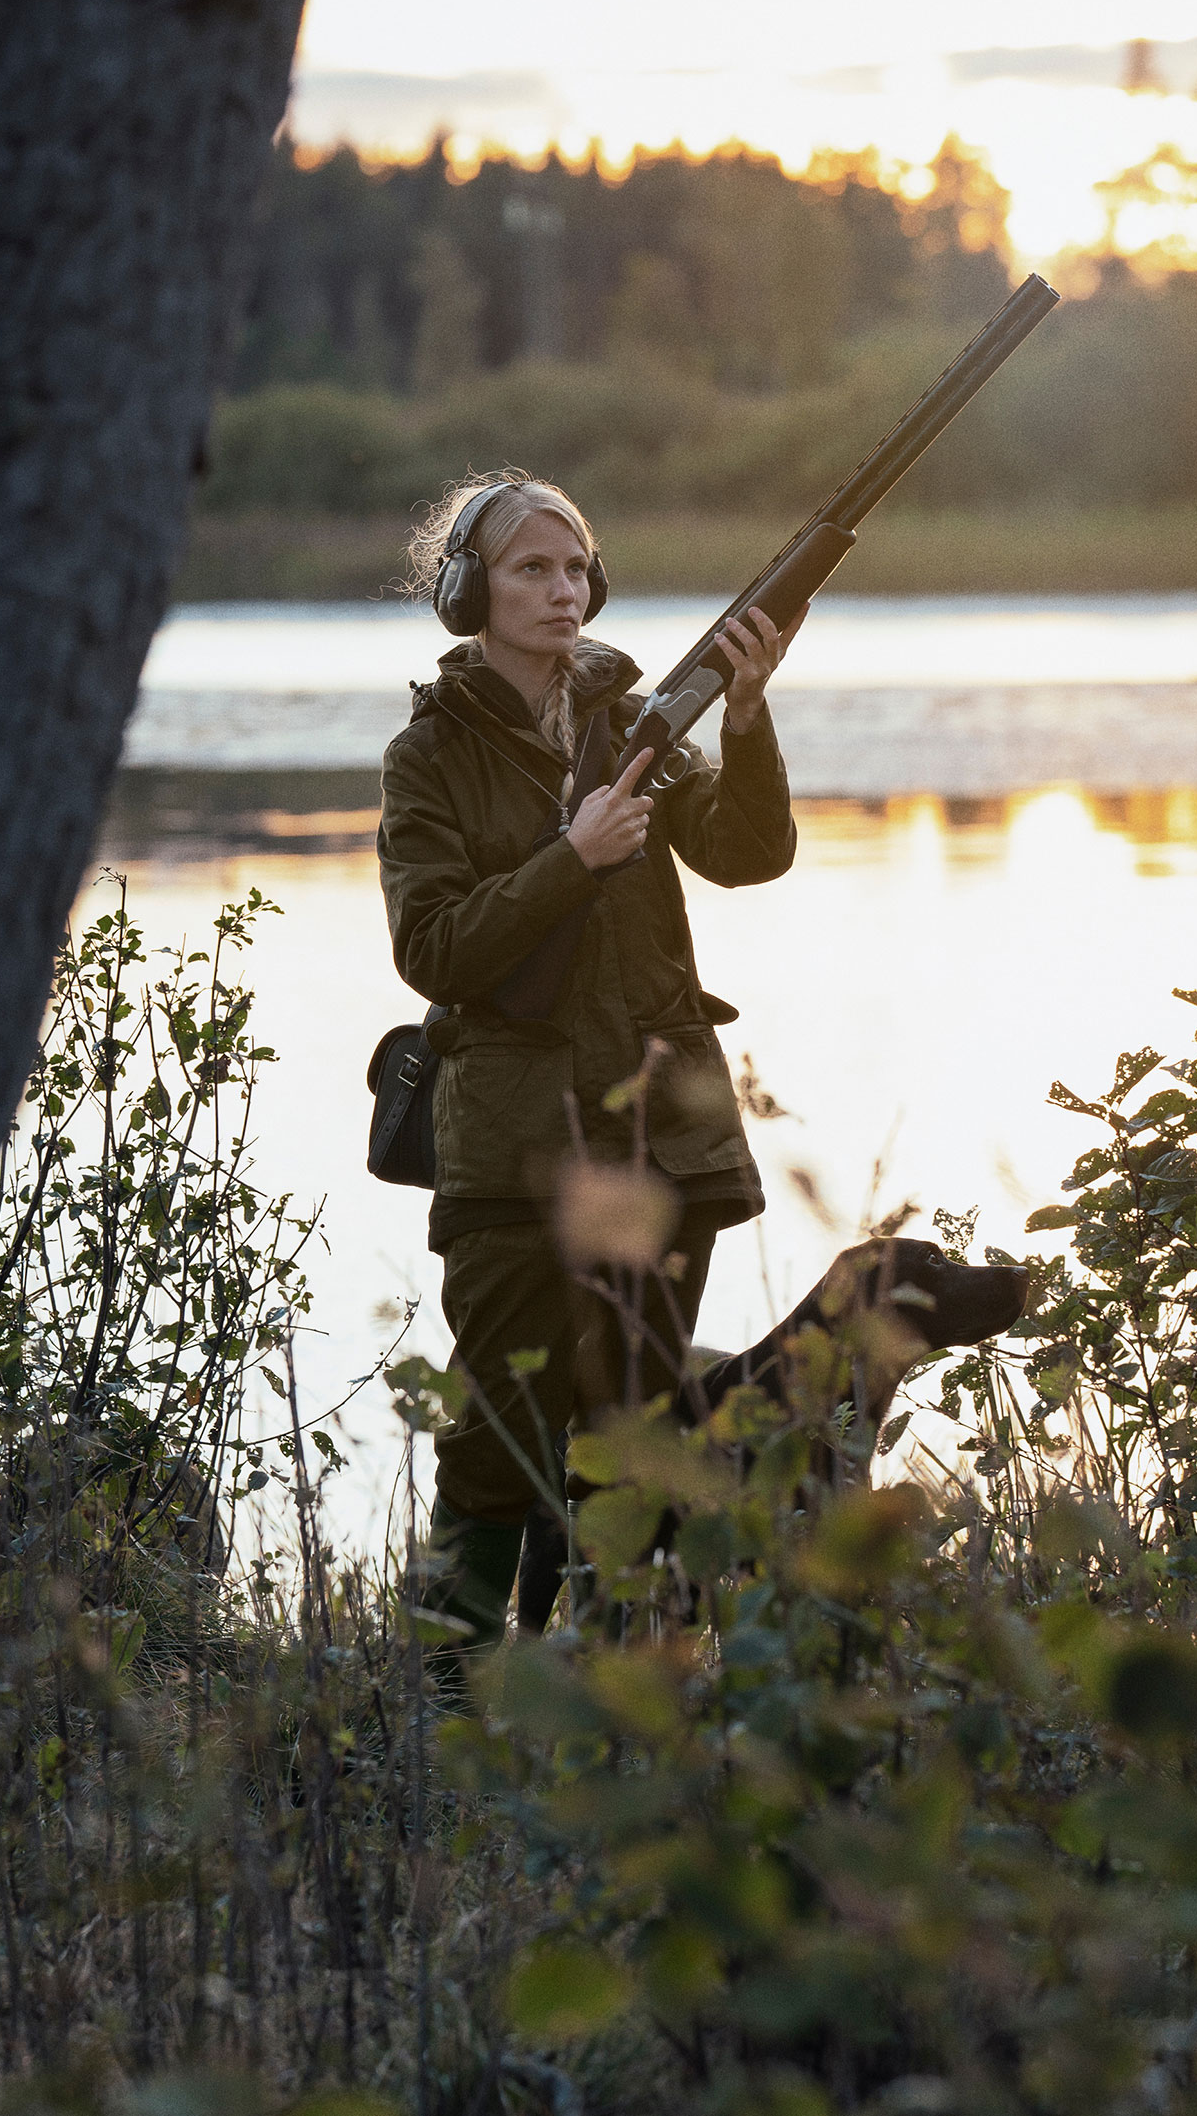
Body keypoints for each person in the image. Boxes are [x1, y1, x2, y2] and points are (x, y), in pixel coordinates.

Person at [377, 470, 796, 1655]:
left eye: (576, 569)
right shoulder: (428, 760)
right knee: (500, 1431)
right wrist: (572, 856)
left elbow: (746, 854)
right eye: (531, 570)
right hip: (514, 1149)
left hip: (663, 1130)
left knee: (638, 1436)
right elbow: (435, 949)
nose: (564, 593)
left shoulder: (634, 722)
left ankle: (617, 1710)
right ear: (470, 591)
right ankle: (449, 1695)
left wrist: (749, 718)